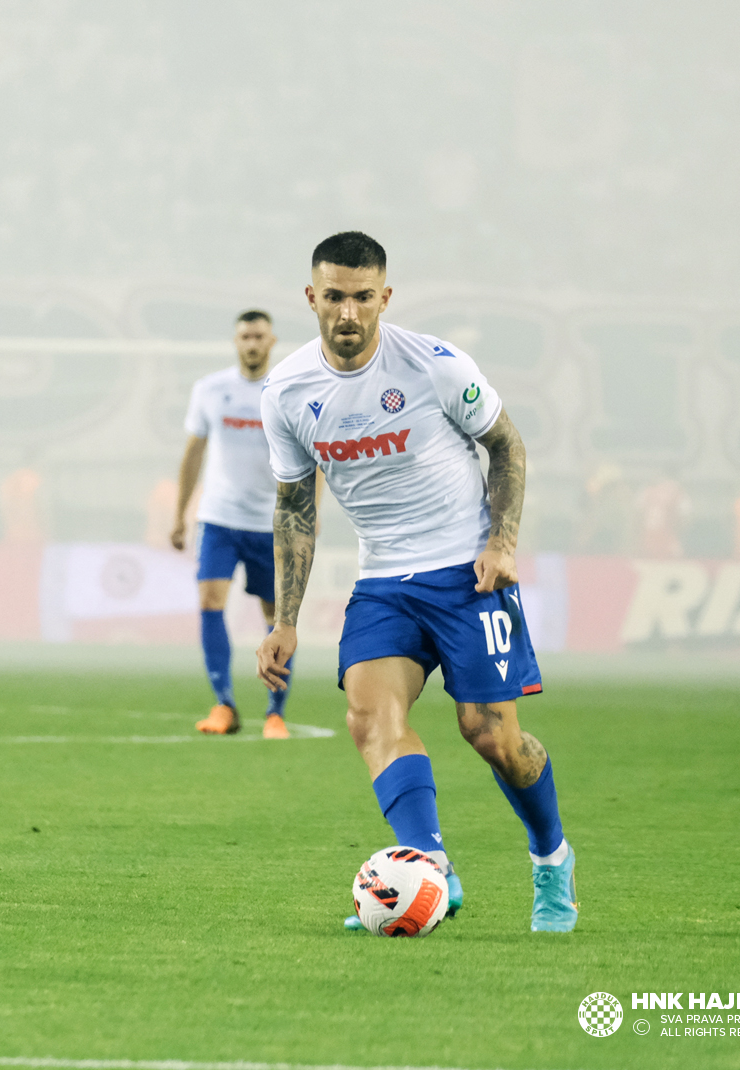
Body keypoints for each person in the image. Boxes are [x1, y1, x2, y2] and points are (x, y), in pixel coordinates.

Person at [256, 231, 576, 933]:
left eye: (362, 298)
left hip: (468, 573)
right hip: (384, 580)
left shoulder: (433, 366)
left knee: (490, 735)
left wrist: (503, 541)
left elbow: (506, 445)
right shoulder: (286, 392)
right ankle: (431, 873)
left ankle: (552, 861)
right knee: (370, 719)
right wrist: (285, 620)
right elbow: (296, 505)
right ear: (312, 298)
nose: (347, 313)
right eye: (334, 297)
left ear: (384, 298)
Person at [171, 310, 301, 739]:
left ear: (271, 341)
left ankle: (274, 713)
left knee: (275, 615)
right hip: (219, 517)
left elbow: (308, 458)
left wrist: (308, 514)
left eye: (259, 336)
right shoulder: (210, 390)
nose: (251, 343)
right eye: (245, 335)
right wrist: (180, 515)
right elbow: (193, 453)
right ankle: (224, 703)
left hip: (271, 522)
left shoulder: (286, 391)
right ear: (235, 341)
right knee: (210, 600)